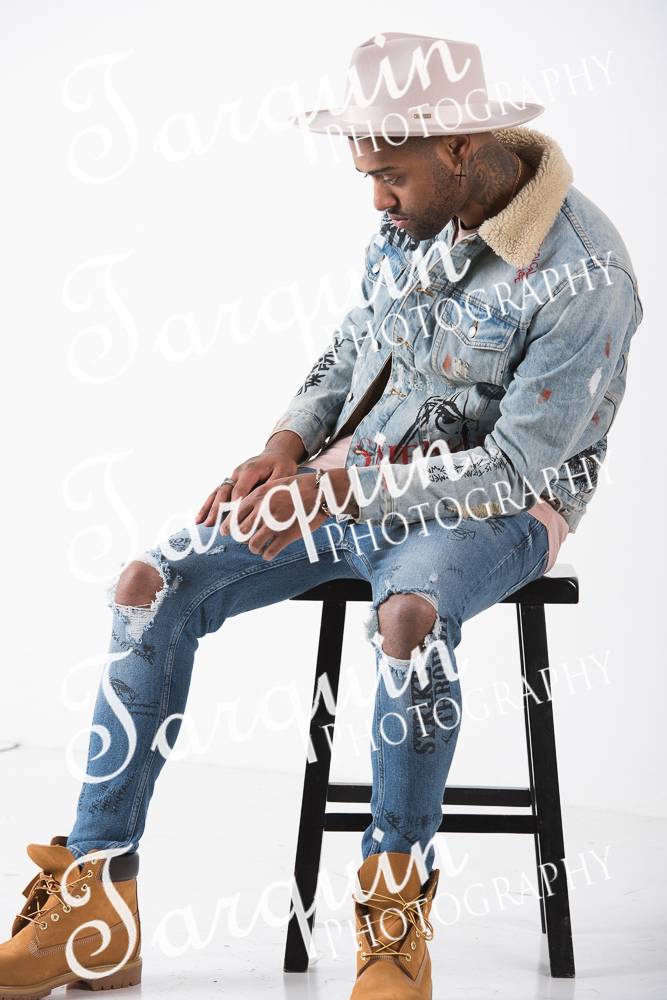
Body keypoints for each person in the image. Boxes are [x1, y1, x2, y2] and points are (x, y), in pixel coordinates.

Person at [0, 32, 641, 1000]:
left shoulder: (584, 272)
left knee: (408, 620)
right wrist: (288, 444)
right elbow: (355, 345)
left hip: (498, 510)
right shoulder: (415, 220)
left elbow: (514, 468)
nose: (375, 199)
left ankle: (392, 920)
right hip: (351, 477)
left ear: (458, 146)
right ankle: (97, 902)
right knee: (148, 584)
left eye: (388, 174)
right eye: (366, 174)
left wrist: (335, 490)